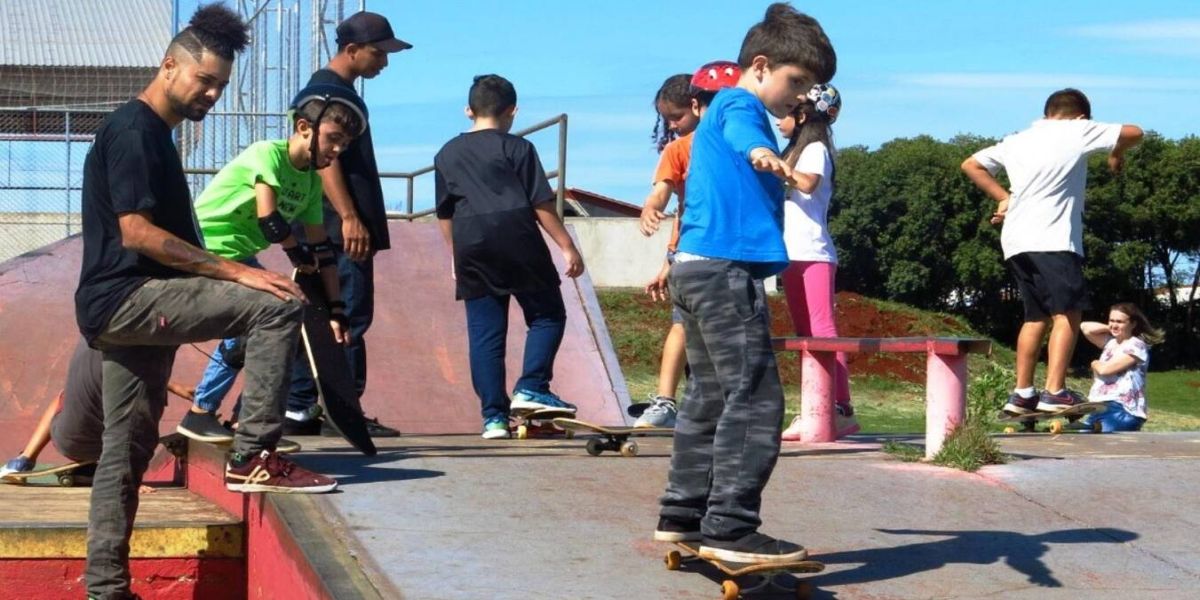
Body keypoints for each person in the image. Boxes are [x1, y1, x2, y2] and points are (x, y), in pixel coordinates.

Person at [74, 7, 335, 599]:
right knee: (275, 303)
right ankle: (254, 454)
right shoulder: (135, 131)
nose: (213, 95)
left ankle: (106, 589)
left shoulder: (154, 137)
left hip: (121, 307)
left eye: (221, 85)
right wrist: (236, 272)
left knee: (127, 451)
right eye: (204, 80)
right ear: (169, 66)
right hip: (132, 298)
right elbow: (136, 233)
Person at [653, 3, 836, 564]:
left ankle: (683, 512)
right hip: (722, 272)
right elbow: (741, 131)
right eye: (795, 82)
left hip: (694, 267)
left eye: (808, 88)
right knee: (755, 397)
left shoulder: (725, 110)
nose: (799, 97)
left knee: (708, 395)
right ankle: (730, 528)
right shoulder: (739, 104)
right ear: (759, 66)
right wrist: (762, 152)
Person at [178, 85, 366, 443]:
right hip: (205, 245)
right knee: (269, 313)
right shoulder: (268, 153)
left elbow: (323, 250)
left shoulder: (311, 183)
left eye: (344, 144)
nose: (337, 150)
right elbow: (271, 221)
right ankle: (204, 413)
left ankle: (237, 419)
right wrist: (297, 255)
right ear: (303, 128)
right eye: (333, 139)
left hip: (240, 254)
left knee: (280, 319)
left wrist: (337, 310)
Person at [962, 88, 1144, 416]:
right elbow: (1135, 132)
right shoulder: (1077, 130)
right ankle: (1055, 391)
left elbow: (972, 164)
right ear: (1080, 116)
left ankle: (1022, 393)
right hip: (1054, 238)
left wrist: (1003, 198)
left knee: (1035, 317)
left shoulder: (1017, 140)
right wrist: (1116, 153)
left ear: (1047, 113)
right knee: (1068, 314)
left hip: (1016, 241)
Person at [434, 74, 585, 440]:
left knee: (485, 333)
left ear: (468, 110)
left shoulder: (446, 153)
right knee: (547, 314)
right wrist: (567, 245)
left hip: (471, 243)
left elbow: (444, 213)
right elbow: (540, 203)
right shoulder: (519, 148)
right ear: (512, 111)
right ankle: (532, 385)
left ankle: (494, 419)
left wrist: (455, 253)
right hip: (517, 236)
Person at [285, 11, 410, 438]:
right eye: (379, 53)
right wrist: (351, 217)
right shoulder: (327, 93)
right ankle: (344, 412)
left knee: (318, 315)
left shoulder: (331, 90)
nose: (384, 62)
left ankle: (299, 407)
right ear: (351, 50)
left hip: (323, 224)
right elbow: (326, 162)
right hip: (337, 227)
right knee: (349, 314)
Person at [635, 62, 741, 429]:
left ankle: (715, 402)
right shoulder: (678, 149)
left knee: (718, 334)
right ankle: (665, 400)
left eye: (676, 116)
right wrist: (651, 208)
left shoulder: (734, 143)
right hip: (691, 251)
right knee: (683, 325)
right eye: (666, 119)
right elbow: (663, 193)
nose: (671, 125)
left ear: (696, 107)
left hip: (729, 251)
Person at [775, 83, 859, 441]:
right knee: (804, 336)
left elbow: (808, 184)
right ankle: (815, 407)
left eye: (786, 111)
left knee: (822, 331)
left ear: (803, 115)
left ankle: (840, 407)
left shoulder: (815, 149)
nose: (779, 119)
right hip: (791, 253)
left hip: (814, 253)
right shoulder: (795, 151)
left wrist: (775, 167)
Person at [1077, 303, 1164, 432]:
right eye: (1111, 320)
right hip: (1099, 406)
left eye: (1120, 321)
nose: (1114, 324)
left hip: (1121, 409)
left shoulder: (1137, 345)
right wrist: (1112, 327)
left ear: (1133, 324)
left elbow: (1105, 370)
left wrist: (1094, 363)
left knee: (1104, 443)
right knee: (1082, 441)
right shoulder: (1110, 342)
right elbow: (1085, 327)